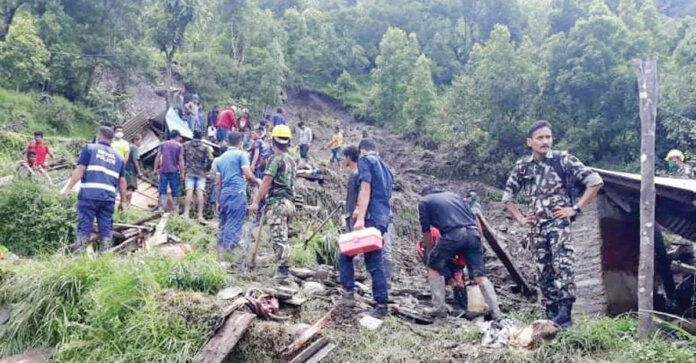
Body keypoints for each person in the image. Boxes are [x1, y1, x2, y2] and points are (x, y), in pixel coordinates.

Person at [503, 120, 603, 327]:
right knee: (543, 270)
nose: (545, 141)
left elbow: (595, 181)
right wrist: (521, 219)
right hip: (536, 228)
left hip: (559, 226)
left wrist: (575, 208)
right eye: (540, 137)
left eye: (548, 137)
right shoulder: (522, 167)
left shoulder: (563, 160)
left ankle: (566, 315)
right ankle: (551, 317)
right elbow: (507, 197)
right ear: (529, 142)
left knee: (563, 266)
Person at [418, 186, 502, 319]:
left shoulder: (424, 201)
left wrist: (429, 252)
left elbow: (426, 231)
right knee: (479, 275)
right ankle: (496, 312)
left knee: (433, 267)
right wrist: (479, 239)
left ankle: (439, 309)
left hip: (453, 235)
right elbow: (475, 218)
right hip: (473, 234)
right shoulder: (455, 196)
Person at [339, 138, 393, 318]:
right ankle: (381, 303)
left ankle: (349, 294)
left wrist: (360, 217)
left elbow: (365, 188)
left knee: (346, 253)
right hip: (382, 218)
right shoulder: (386, 168)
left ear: (362, 150)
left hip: (369, 217)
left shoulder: (365, 161)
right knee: (374, 260)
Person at [61, 126, 127, 252]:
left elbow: (80, 169)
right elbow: (122, 180)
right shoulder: (119, 157)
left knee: (85, 225)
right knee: (106, 227)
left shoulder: (90, 149)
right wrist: (122, 201)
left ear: (98, 136)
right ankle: (105, 255)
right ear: (112, 139)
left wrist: (68, 189)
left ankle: (79, 255)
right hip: (108, 198)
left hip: (89, 195)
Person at [249, 125, 296, 284]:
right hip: (289, 203)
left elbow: (267, 182)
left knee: (279, 238)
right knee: (282, 235)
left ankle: (283, 272)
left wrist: (256, 202)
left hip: (278, 204)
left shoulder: (275, 160)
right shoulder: (291, 160)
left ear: (272, 140)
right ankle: (283, 267)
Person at [216, 131, 261, 253]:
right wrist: (257, 182)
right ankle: (229, 252)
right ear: (240, 142)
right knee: (234, 222)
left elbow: (218, 182)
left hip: (224, 193)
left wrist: (217, 200)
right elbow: (247, 175)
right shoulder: (241, 155)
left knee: (224, 223)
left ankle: (219, 252)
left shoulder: (220, 159)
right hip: (237, 193)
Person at [183, 130, 214, 221]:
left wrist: (186, 164)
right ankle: (200, 216)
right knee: (200, 192)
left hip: (189, 171)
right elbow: (210, 159)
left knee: (189, 191)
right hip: (201, 172)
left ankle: (186, 213)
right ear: (201, 137)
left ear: (193, 135)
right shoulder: (205, 147)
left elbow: (182, 156)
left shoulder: (186, 145)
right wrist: (206, 169)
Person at [154, 130, 185, 212]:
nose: (180, 139)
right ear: (177, 137)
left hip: (163, 170)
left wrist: (155, 169)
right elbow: (181, 160)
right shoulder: (179, 146)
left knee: (162, 189)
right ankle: (176, 209)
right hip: (174, 171)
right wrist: (182, 173)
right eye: (180, 137)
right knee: (175, 191)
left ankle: (161, 208)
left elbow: (158, 157)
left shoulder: (163, 144)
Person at [124, 135, 143, 205]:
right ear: (135, 140)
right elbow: (135, 160)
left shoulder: (128, 146)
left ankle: (124, 203)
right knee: (130, 188)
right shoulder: (134, 148)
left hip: (125, 170)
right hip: (131, 171)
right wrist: (139, 172)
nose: (140, 143)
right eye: (140, 141)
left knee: (125, 187)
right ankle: (127, 204)